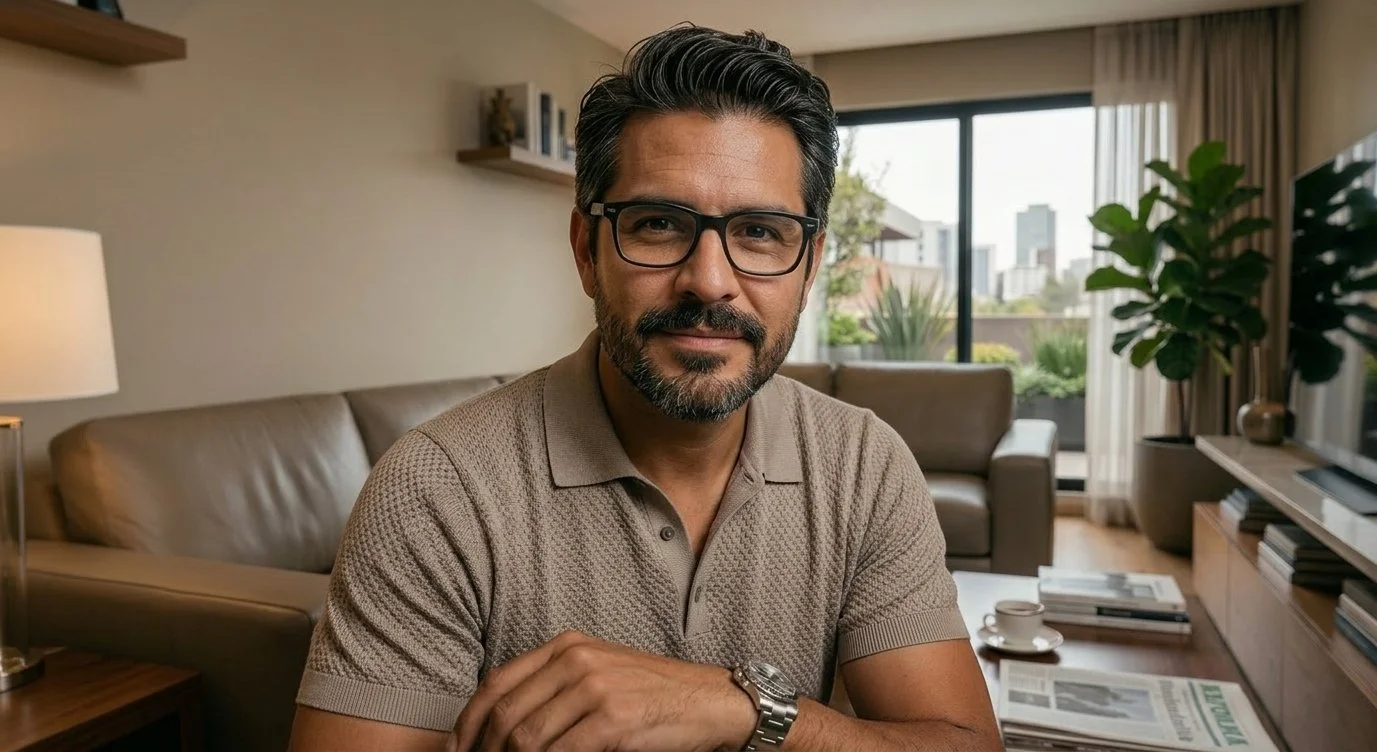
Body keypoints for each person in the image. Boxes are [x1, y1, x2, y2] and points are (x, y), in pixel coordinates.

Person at [288, 23, 1002, 752]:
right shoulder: (436, 489)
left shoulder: (863, 465)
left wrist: (745, 707)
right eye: (659, 223)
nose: (710, 280)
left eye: (759, 231)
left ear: (809, 265)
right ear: (586, 252)